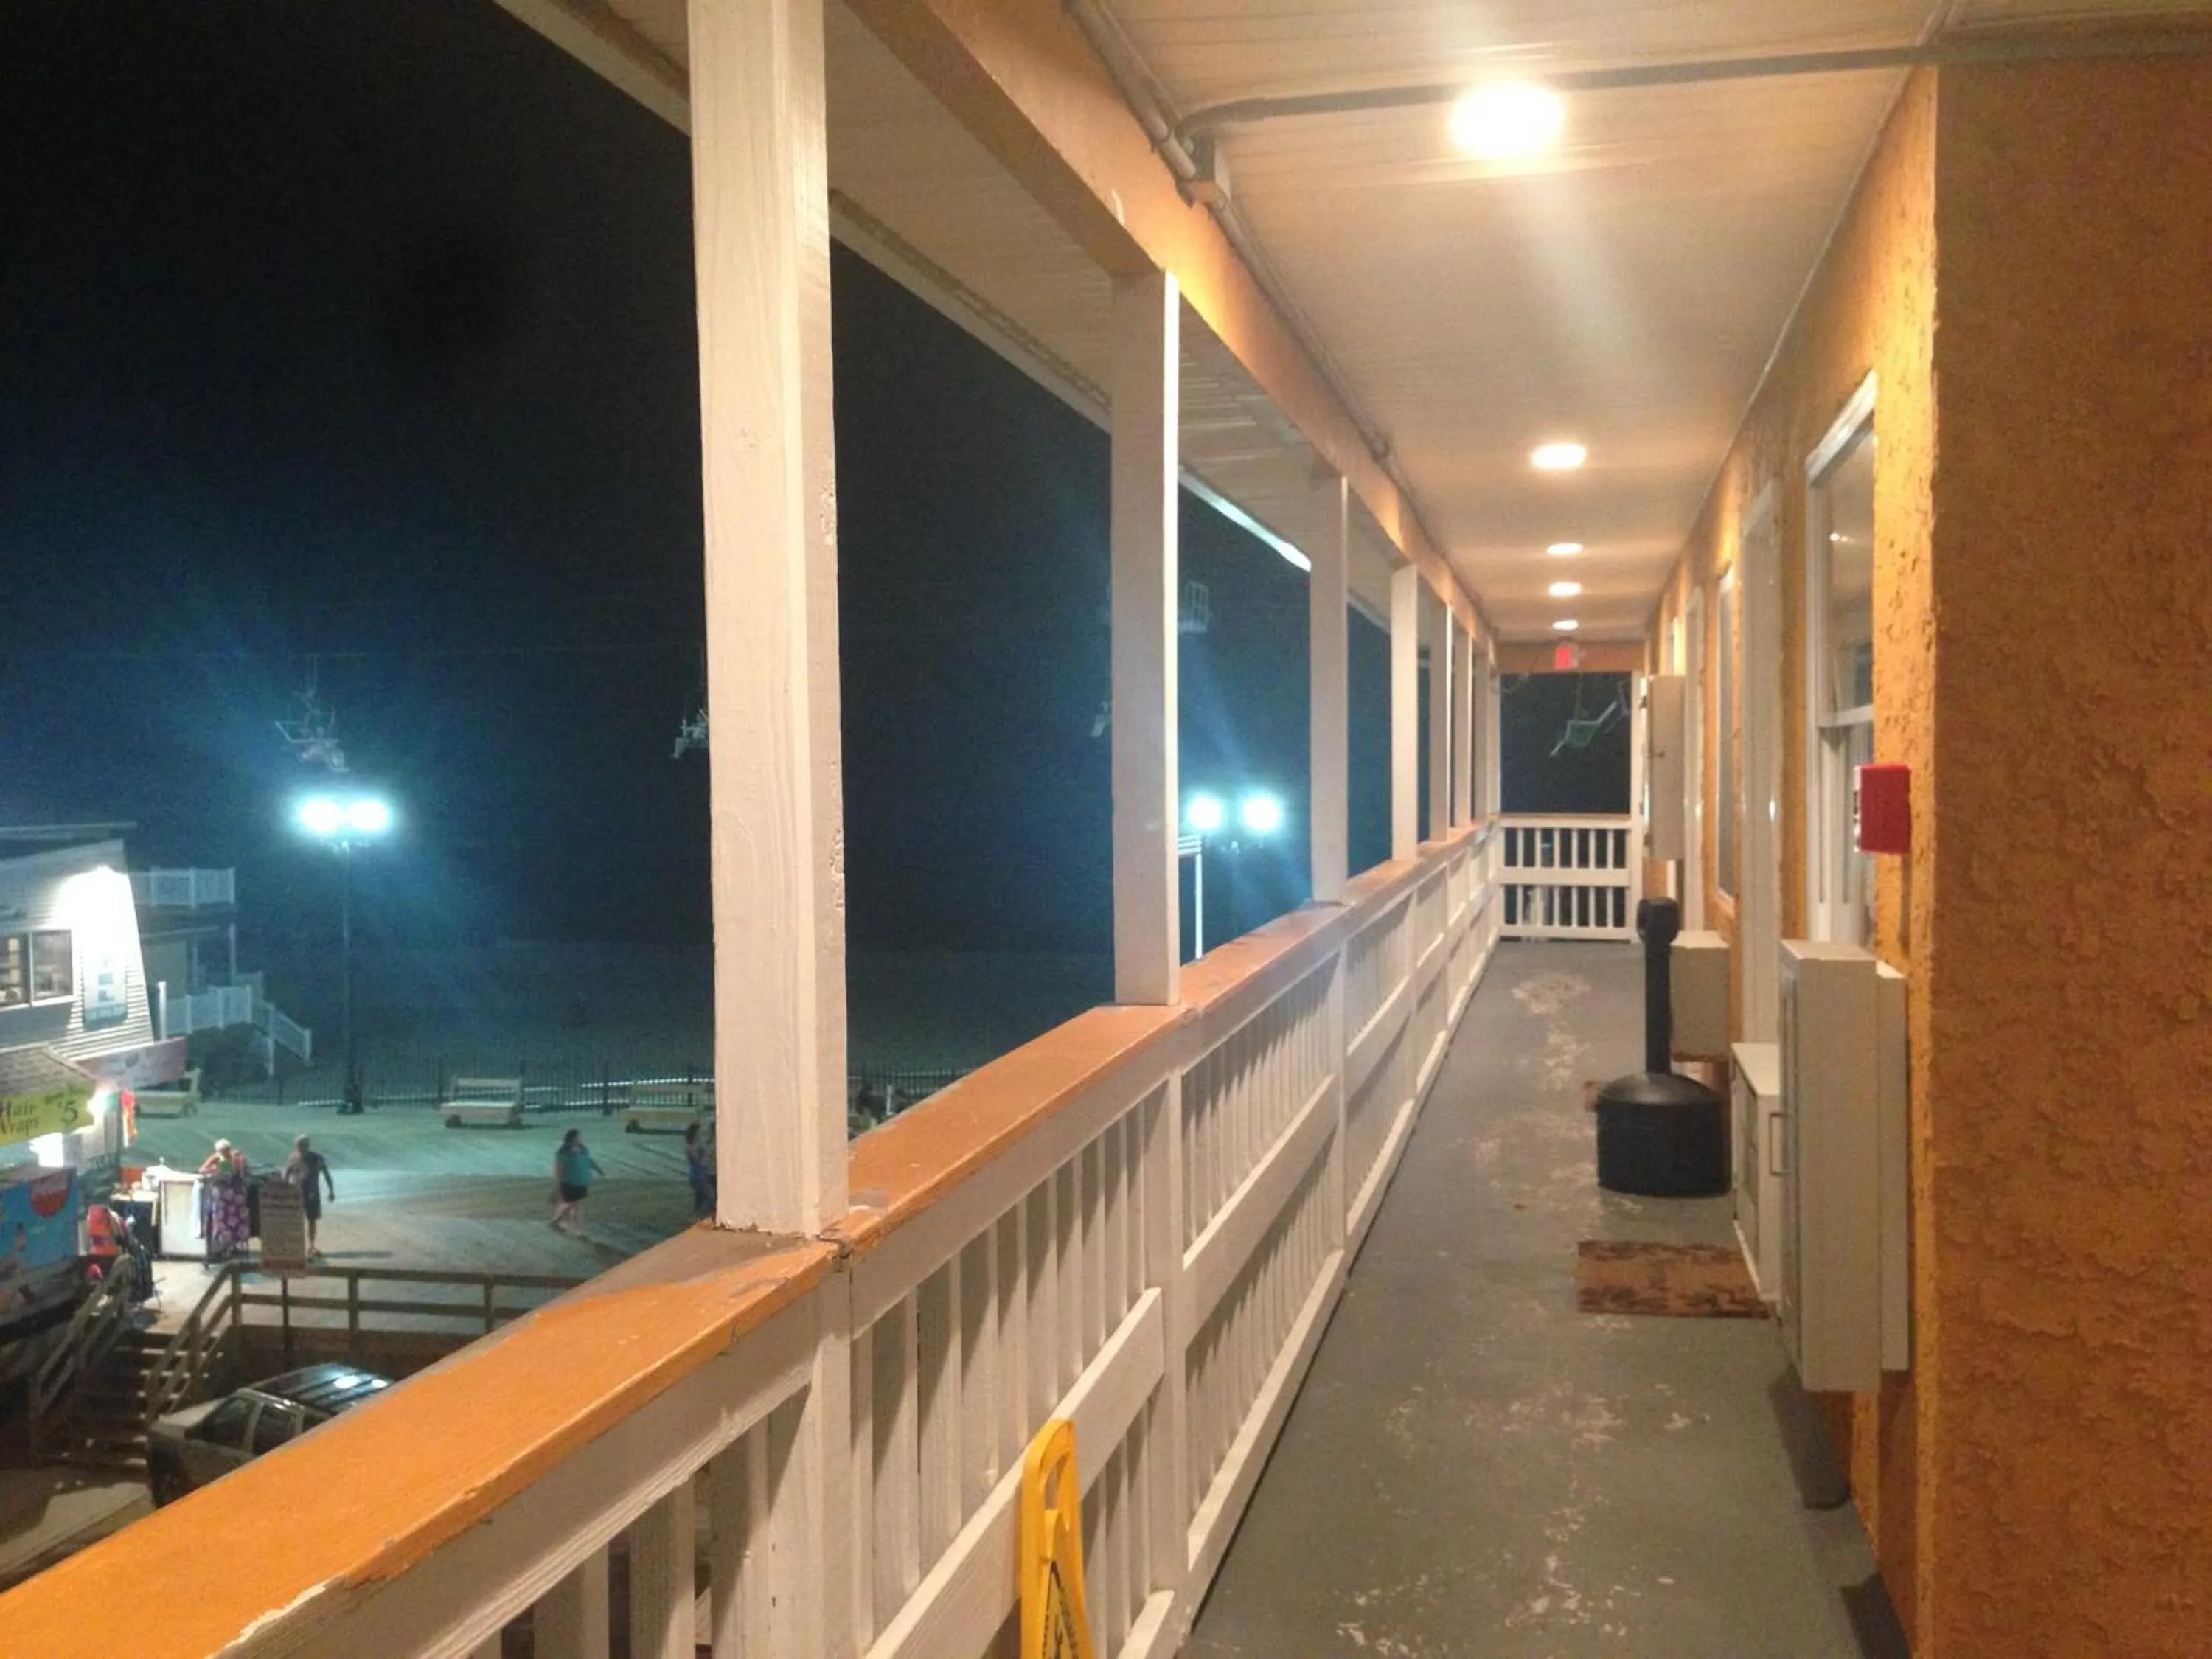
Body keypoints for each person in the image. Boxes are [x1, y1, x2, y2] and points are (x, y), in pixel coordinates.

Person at [197, 1139, 251, 1261]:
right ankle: (222, 1247)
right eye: (221, 1151)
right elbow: (201, 1170)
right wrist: (215, 1170)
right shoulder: (216, 1158)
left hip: (235, 1195)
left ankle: (234, 1245)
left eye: (225, 1150)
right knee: (222, 1220)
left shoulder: (236, 1158)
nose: (224, 1153)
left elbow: (241, 1173)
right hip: (222, 1195)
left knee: (236, 1220)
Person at [283, 1135, 337, 1256]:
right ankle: (297, 1245)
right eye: (298, 1146)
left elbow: (327, 1175)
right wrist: (285, 1192)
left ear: (308, 1146)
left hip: (313, 1194)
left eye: (303, 1145)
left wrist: (331, 1191)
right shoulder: (293, 1159)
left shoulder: (317, 1158)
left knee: (312, 1221)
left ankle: (312, 1246)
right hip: (296, 1194)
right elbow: (286, 1175)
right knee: (296, 1221)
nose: (301, 1148)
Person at [550, 1128, 605, 1236]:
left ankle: (555, 1221)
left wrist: (598, 1170)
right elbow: (560, 1169)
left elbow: (589, 1160)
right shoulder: (563, 1152)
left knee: (571, 1204)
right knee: (576, 1206)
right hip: (569, 1183)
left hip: (581, 1182)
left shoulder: (584, 1149)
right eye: (579, 1137)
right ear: (573, 1138)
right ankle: (578, 1230)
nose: (581, 1139)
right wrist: (557, 1185)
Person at [683, 1121, 715, 1220]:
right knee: (710, 1197)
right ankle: (699, 1215)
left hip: (697, 1174)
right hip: (699, 1175)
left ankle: (698, 1215)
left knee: (701, 1197)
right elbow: (699, 1161)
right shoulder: (693, 1147)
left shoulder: (695, 1145)